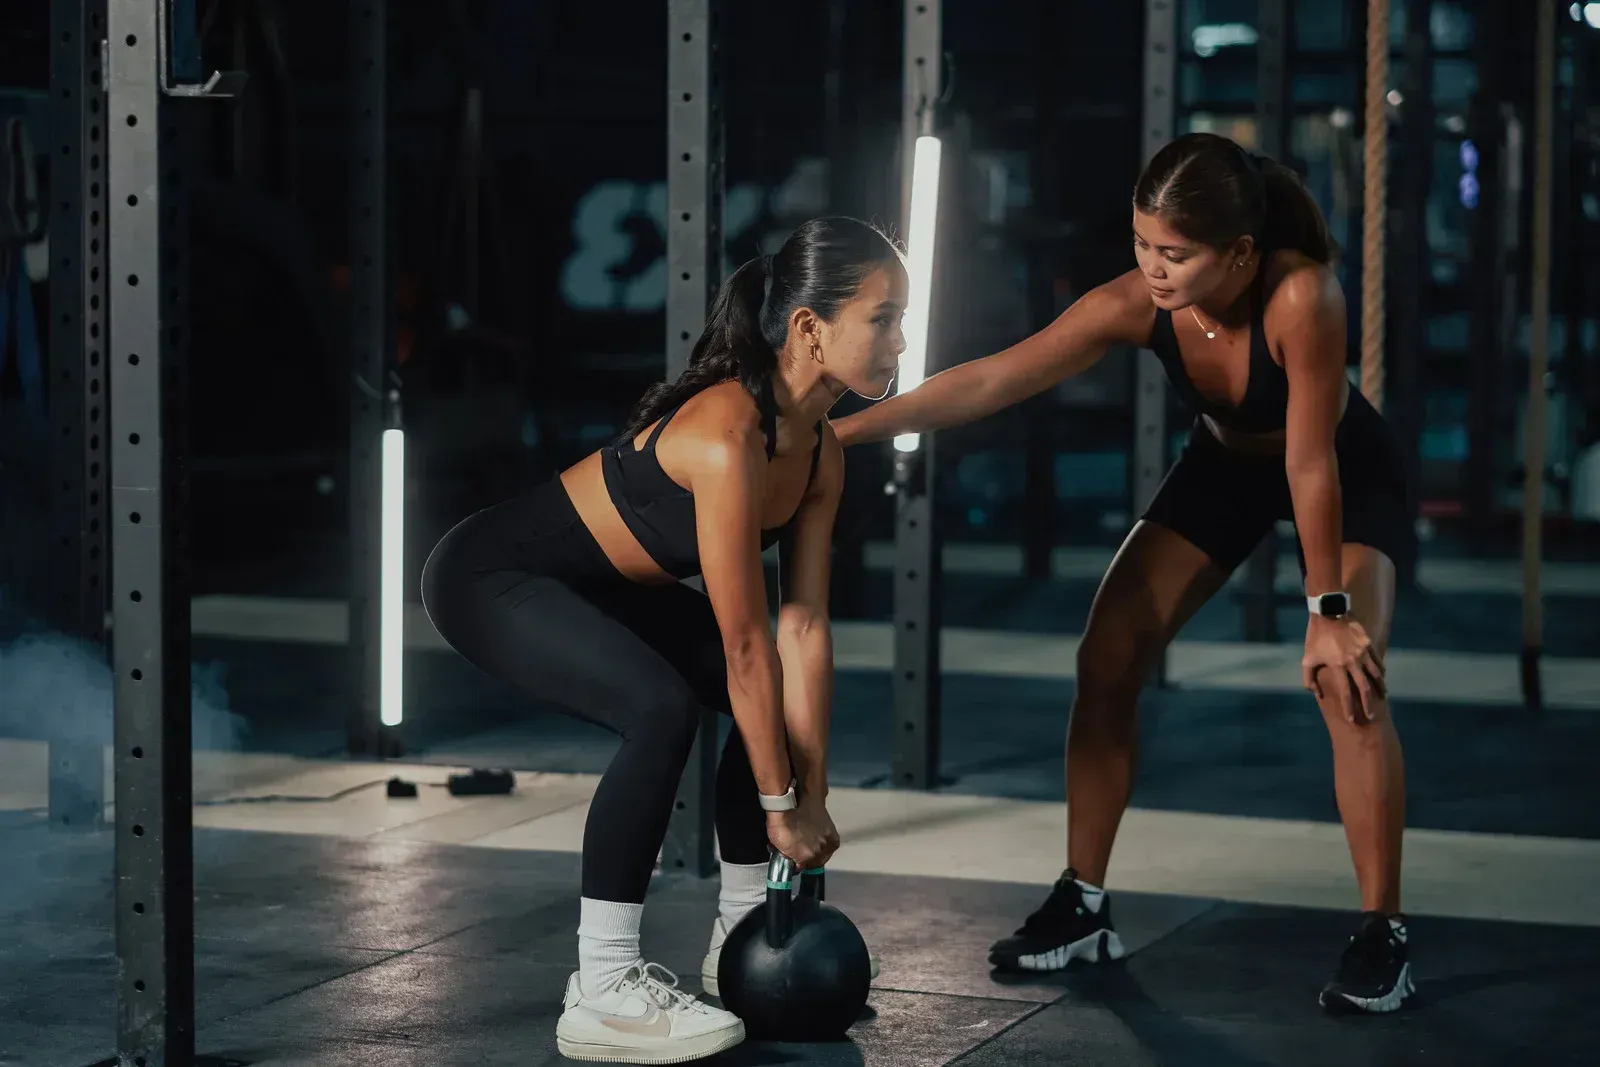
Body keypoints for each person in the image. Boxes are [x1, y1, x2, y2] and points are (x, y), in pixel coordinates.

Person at [830, 132, 1413, 1015]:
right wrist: (834, 434)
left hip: (1342, 469)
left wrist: (1327, 609)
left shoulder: (1304, 295)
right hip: (1223, 468)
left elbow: (1310, 464)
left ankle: (1384, 935)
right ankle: (1083, 905)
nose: (1154, 268)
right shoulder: (1137, 302)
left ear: (1241, 253)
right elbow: (991, 380)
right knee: (1104, 657)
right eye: (1143, 245)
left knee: (1348, 681)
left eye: (1176, 253)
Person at [421, 216, 906, 1064]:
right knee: (661, 708)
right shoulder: (727, 437)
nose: (902, 338)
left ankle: (744, 937)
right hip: (490, 575)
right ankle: (602, 987)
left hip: (601, 584)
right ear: (809, 327)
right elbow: (749, 640)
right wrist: (780, 805)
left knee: (760, 707)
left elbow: (805, 627)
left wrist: (812, 792)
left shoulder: (823, 451)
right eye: (885, 317)